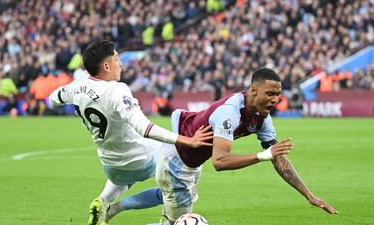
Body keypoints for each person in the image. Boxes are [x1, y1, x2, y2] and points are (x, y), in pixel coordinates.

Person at [48, 40, 213, 225]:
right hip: (138, 159)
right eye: (117, 59)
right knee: (183, 167)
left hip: (110, 166)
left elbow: (53, 99)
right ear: (106, 65)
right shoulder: (116, 91)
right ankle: (157, 218)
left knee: (153, 172)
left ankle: (103, 200)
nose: (121, 64)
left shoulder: (76, 86)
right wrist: (185, 140)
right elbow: (145, 128)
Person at [155, 68, 338, 225]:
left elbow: (278, 158)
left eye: (277, 95)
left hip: (192, 162)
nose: (275, 100)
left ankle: (126, 205)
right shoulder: (230, 112)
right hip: (177, 162)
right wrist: (262, 155)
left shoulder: (262, 118)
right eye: (270, 94)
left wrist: (309, 196)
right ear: (254, 90)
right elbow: (219, 161)